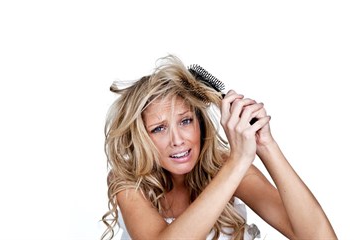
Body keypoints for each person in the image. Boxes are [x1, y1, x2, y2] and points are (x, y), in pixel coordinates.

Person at [101, 54, 337, 240]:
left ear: (200, 124)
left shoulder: (227, 169)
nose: (177, 140)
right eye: (159, 128)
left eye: (185, 121)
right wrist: (238, 161)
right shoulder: (128, 182)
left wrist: (266, 145)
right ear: (142, 137)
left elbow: (320, 237)